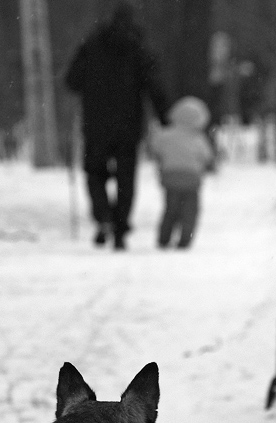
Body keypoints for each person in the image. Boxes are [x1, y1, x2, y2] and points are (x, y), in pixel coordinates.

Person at [65, 1, 167, 250]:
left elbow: (72, 81)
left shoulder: (91, 46)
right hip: (128, 126)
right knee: (126, 178)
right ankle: (120, 227)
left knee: (95, 173)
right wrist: (164, 115)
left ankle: (104, 217)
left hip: (96, 124)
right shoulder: (139, 49)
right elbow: (154, 85)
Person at [149, 96, 213, 249]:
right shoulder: (198, 138)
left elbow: (155, 149)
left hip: (170, 177)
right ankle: (185, 239)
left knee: (170, 209)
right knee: (190, 212)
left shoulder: (165, 135)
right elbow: (207, 156)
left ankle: (163, 238)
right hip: (191, 179)